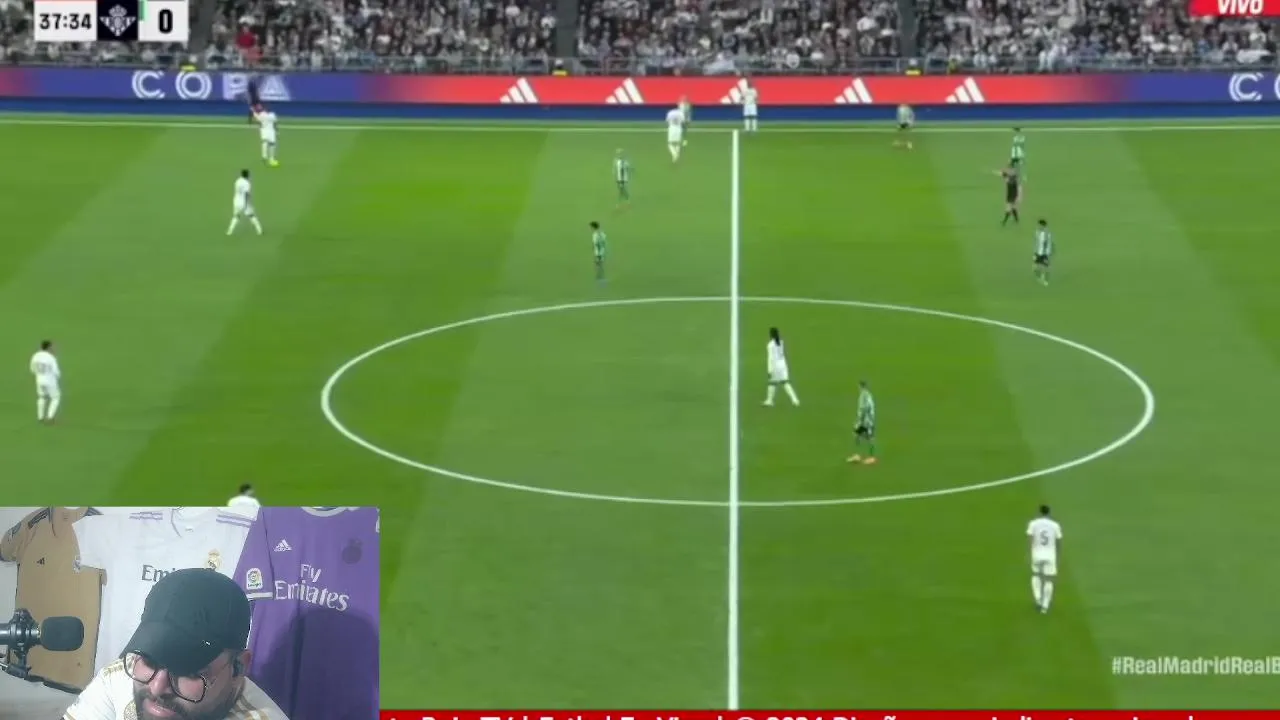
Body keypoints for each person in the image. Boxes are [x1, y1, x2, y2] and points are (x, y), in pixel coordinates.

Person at [62, 568, 288, 719]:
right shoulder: (120, 676)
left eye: (188, 671)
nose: (156, 688)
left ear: (239, 667)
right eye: (150, 659)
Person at [1027, 505, 1063, 614]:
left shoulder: (1033, 523)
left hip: (1037, 554)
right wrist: (1058, 554)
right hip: (1050, 555)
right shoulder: (1055, 525)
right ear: (1049, 513)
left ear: (1039, 512)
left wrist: (1030, 552)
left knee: (1036, 575)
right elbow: (1058, 541)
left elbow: (1030, 538)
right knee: (1048, 580)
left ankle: (1038, 598)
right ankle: (1045, 606)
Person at [763, 327, 799, 407]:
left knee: (772, 382)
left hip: (775, 365)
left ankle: (769, 401)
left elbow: (771, 358)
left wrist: (769, 370)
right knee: (785, 382)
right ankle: (795, 399)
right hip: (783, 364)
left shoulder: (770, 345)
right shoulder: (781, 342)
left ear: (771, 334)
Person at [30, 339, 61, 424]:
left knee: (41, 397)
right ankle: (50, 417)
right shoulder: (51, 358)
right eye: (52, 347)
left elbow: (32, 369)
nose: (54, 348)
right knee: (55, 397)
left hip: (39, 380)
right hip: (50, 380)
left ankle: (40, 417)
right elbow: (56, 371)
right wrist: (58, 378)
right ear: (49, 347)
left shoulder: (35, 355)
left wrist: (39, 374)